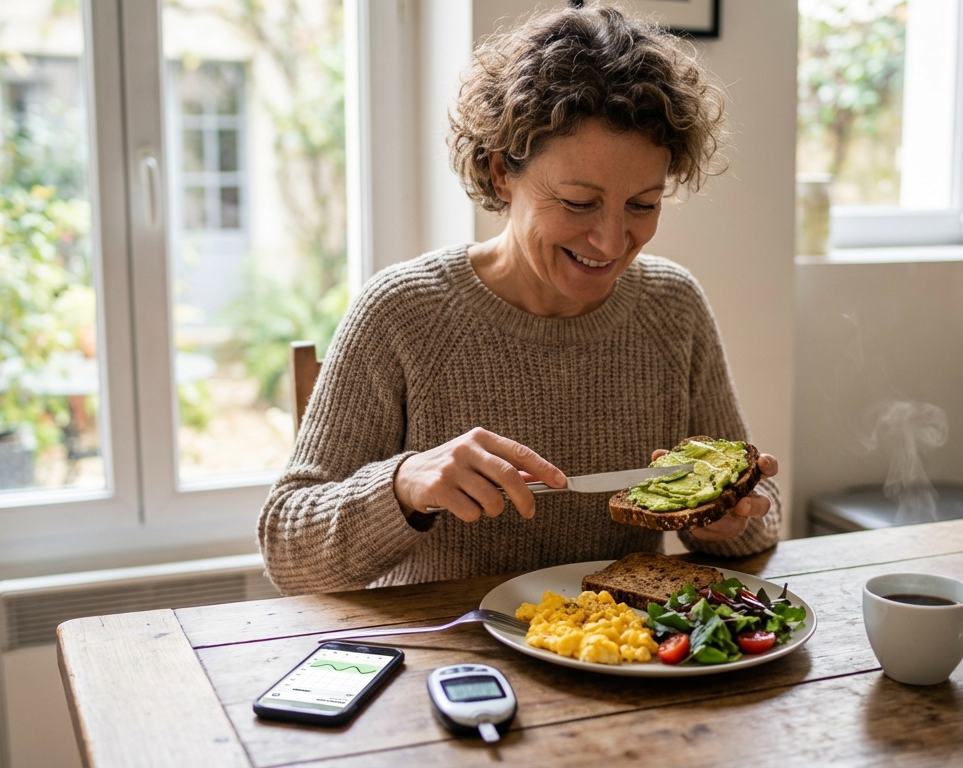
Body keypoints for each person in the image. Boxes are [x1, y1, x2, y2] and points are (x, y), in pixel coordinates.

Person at [259, 5, 782, 595]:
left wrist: (729, 517)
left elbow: (760, 520)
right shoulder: (403, 312)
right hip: (450, 661)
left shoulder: (673, 307)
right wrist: (404, 484)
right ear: (501, 173)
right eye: (579, 203)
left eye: (643, 204)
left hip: (619, 663)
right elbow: (286, 550)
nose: (612, 241)